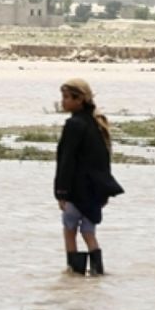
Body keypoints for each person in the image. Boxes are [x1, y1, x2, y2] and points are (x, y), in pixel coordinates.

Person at [55, 78, 124, 276]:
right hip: (94, 190)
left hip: (76, 190)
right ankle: (97, 272)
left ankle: (74, 272)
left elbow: (66, 161)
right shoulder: (97, 124)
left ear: (80, 100)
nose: (63, 102)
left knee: (70, 230)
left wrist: (61, 192)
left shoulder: (74, 125)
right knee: (88, 232)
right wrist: (104, 191)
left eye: (67, 97)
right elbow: (103, 161)